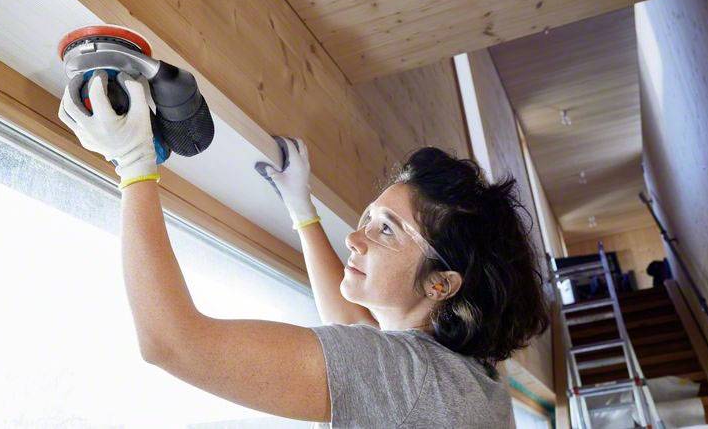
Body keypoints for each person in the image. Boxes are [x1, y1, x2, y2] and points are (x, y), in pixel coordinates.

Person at [58, 71, 550, 428]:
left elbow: (173, 344)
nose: (354, 239)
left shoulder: (412, 379)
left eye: (386, 232)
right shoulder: (467, 372)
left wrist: (134, 164)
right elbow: (354, 332)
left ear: (440, 283)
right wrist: (303, 211)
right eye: (367, 219)